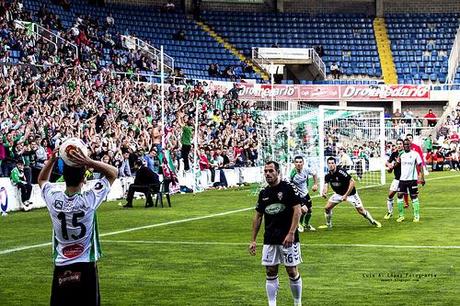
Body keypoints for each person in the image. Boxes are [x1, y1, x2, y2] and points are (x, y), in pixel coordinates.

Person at [38, 147, 118, 306]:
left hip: (62, 265)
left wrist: (52, 160)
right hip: (86, 266)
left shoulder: (53, 199)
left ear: (64, 178)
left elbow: (42, 180)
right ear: (84, 179)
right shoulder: (90, 199)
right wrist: (89, 161)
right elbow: (113, 173)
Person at [249, 161, 303, 306]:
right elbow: (258, 216)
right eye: (265, 171)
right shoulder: (263, 193)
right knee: (270, 271)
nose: (268, 174)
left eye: (271, 171)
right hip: (270, 238)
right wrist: (253, 240)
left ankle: (297, 303)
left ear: (278, 172)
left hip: (288, 238)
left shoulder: (288, 188)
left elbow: (297, 210)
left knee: (292, 271)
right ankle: (272, 304)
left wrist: (291, 233)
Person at [318, 157, 381, 229]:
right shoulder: (328, 175)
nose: (331, 165)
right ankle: (328, 225)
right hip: (339, 194)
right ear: (327, 164)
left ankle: (373, 221)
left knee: (361, 211)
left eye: (332, 163)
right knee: (327, 208)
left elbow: (352, 182)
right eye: (329, 163)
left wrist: (346, 195)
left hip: (351, 194)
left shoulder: (341, 172)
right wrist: (324, 192)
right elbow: (326, 184)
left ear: (335, 164)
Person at [395, 139, 425, 222]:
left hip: (412, 179)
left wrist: (422, 178)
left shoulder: (415, 154)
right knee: (399, 195)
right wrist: (396, 163)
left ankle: (416, 216)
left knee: (414, 196)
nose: (406, 146)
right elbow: (398, 164)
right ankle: (401, 215)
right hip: (402, 179)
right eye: (405, 144)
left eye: (408, 144)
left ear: (410, 145)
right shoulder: (401, 154)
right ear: (403, 145)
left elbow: (420, 165)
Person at [290, 155, 318, 232]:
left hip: (305, 193)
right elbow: (289, 185)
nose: (298, 164)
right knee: (304, 210)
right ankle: (298, 224)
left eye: (300, 162)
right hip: (297, 195)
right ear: (294, 163)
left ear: (303, 163)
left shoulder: (306, 169)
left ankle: (306, 225)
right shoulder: (292, 174)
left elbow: (314, 174)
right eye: (296, 162)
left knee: (310, 210)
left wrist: (315, 184)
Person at [384, 139, 404, 219]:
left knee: (403, 196)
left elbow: (397, 164)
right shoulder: (394, 153)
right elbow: (387, 162)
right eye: (398, 144)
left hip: (405, 179)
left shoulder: (405, 154)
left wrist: (392, 167)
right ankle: (390, 212)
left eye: (400, 144)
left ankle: (401, 215)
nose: (399, 145)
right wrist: (389, 166)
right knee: (390, 195)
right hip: (397, 178)